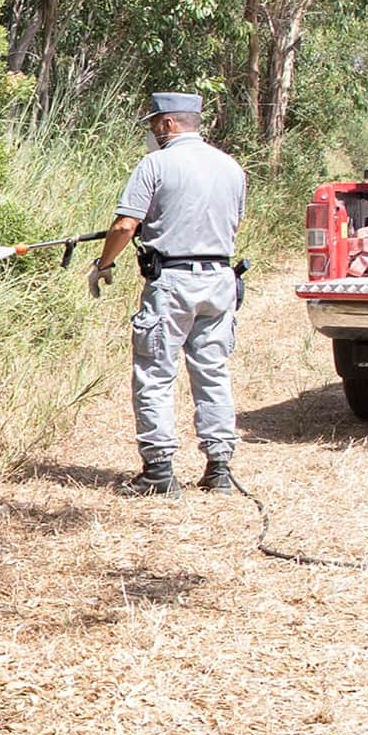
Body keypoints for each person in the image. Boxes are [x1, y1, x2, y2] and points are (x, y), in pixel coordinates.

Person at [87, 92, 247, 495]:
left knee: (155, 372)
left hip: (173, 283)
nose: (152, 132)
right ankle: (220, 469)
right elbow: (229, 221)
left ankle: (159, 471)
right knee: (212, 372)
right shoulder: (231, 167)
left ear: (169, 124)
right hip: (220, 280)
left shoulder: (155, 164)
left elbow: (125, 226)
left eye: (154, 124)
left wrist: (103, 264)